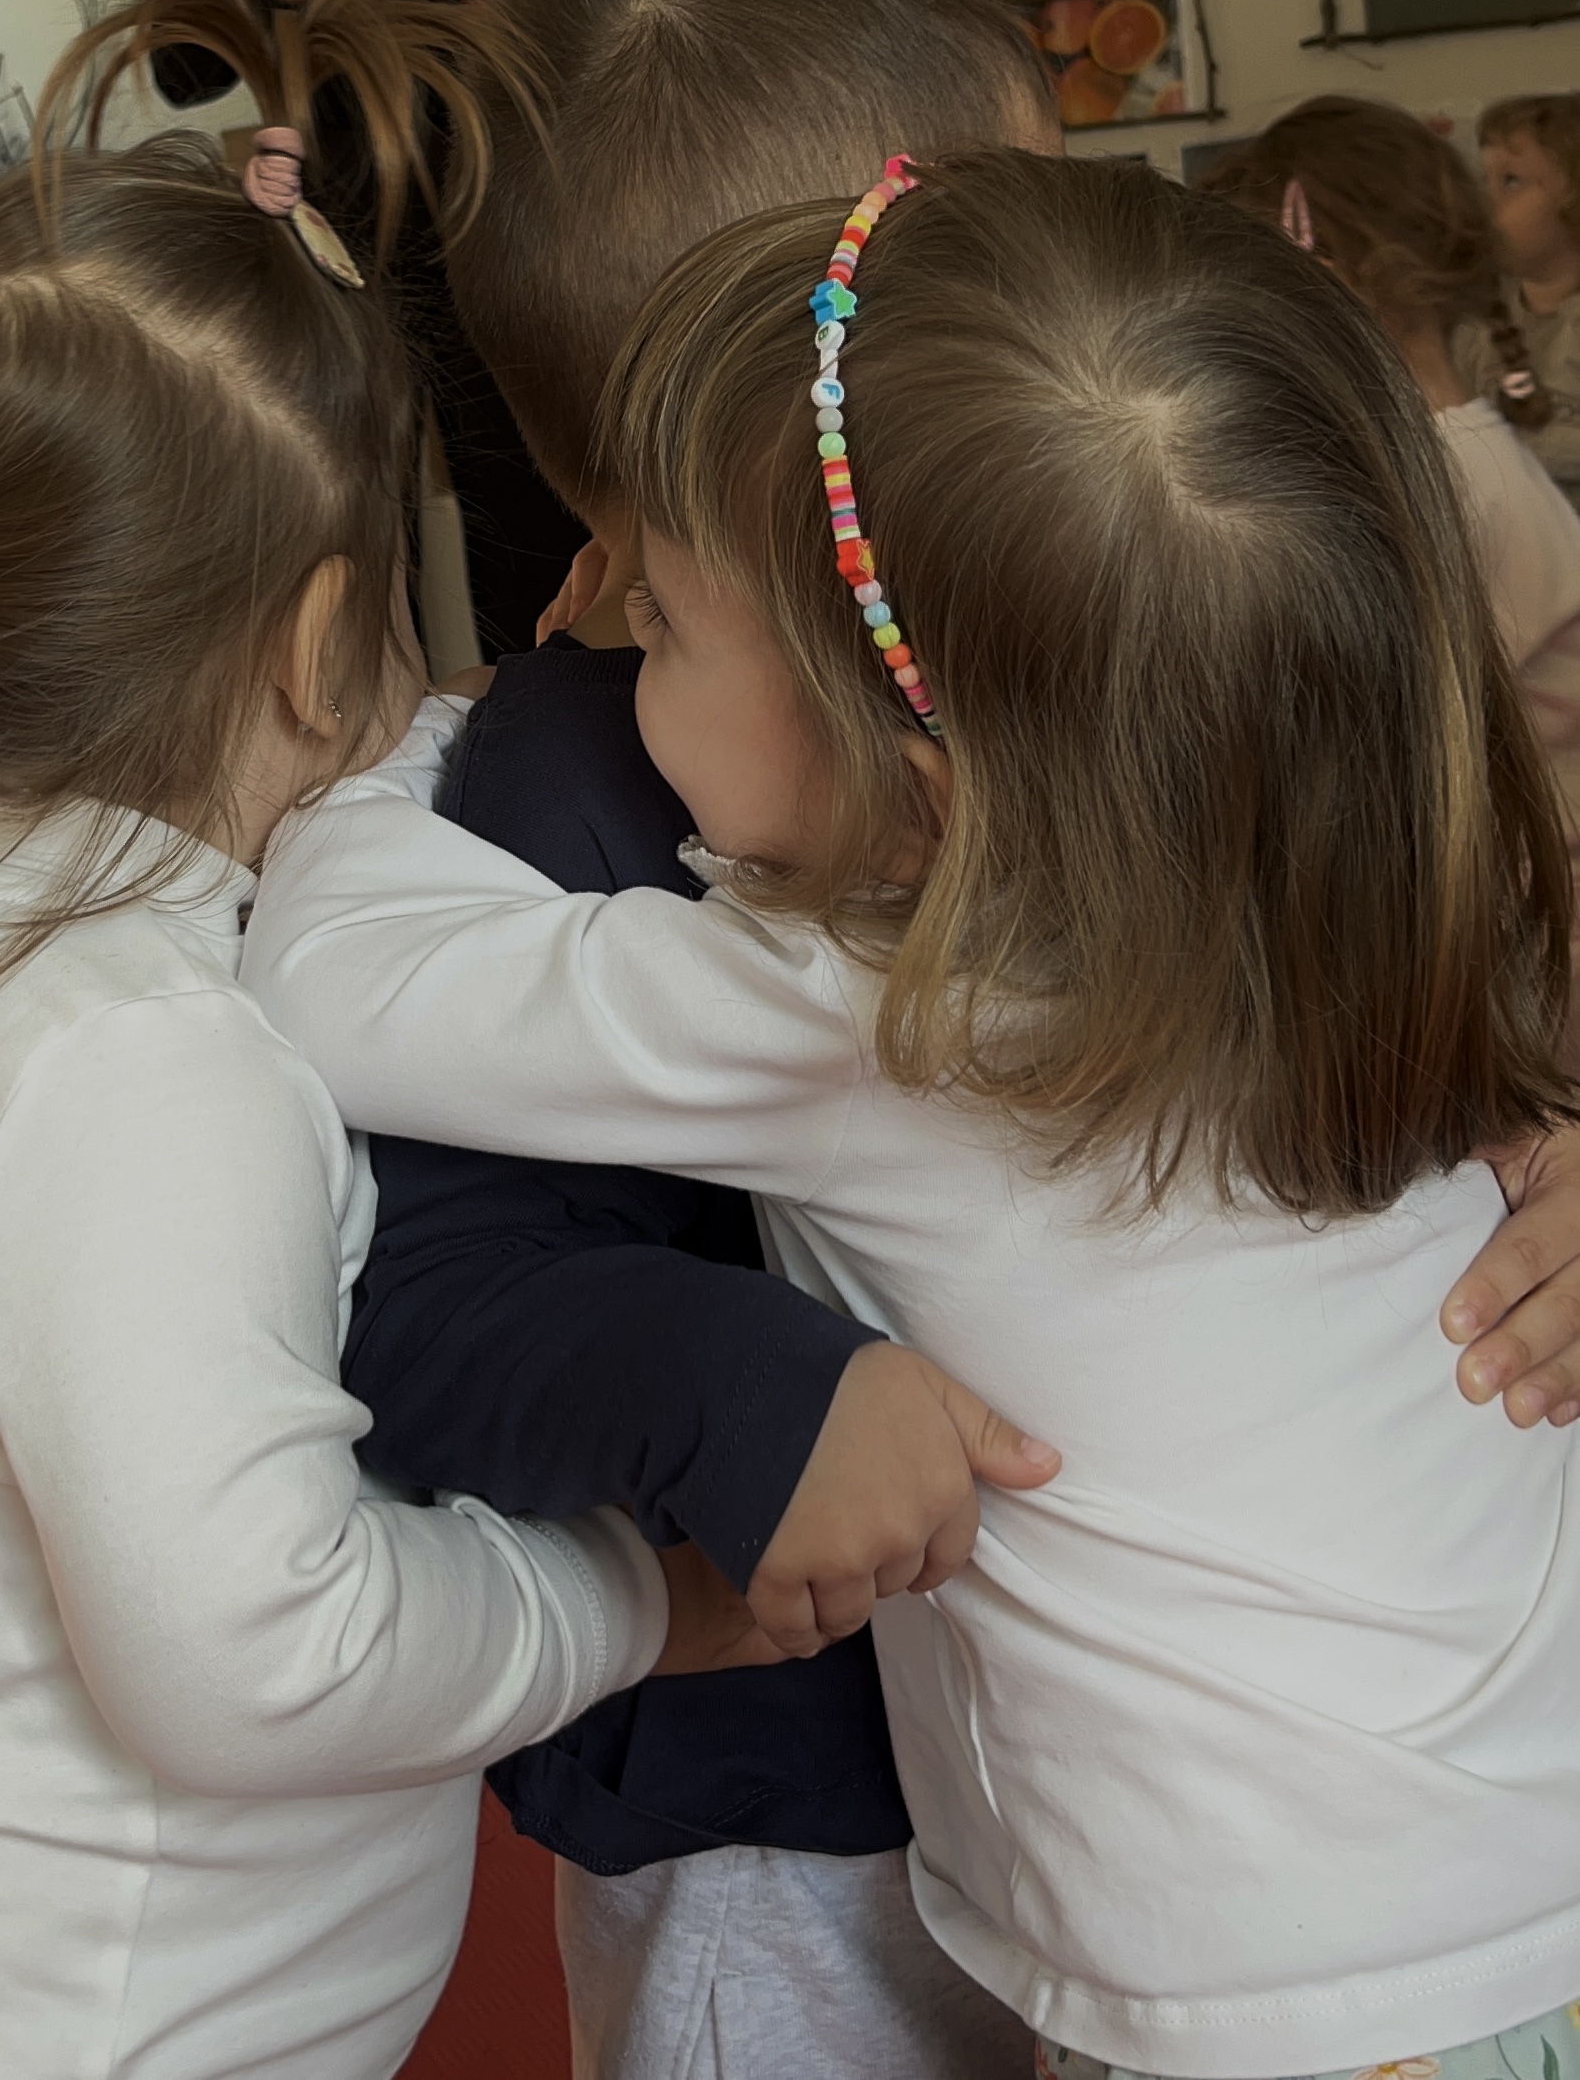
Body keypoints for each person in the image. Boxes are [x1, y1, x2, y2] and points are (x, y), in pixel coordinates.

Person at [245, 149, 1580, 2080]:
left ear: (917, 792)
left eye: (660, 627)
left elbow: (338, 985)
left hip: (1268, 2003)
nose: (615, 651)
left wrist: (442, 724)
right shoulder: (1376, 906)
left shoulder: (882, 1011)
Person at [0, 91, 779, 2075]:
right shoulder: (140, 1071)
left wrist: (458, 720)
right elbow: (264, 1660)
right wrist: (633, 1601)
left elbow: (301, 780)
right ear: (322, 637)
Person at [341, 0, 1066, 2080]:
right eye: (1029, 248)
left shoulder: (1117, 652)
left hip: (1123, 1774)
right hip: (783, 1821)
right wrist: (740, 1388)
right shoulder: (551, 786)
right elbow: (417, 1292)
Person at [153, 0, 593, 655]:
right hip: (336, 230)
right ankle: (379, 729)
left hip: (502, 206)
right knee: (354, 502)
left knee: (527, 491)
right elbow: (176, 66)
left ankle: (545, 716)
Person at [1202, 95, 1580, 1066]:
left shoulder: (1443, 488)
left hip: (1525, 968)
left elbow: (1370, 771)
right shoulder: (1447, 459)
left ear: (1337, 278)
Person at [1456, 92, 1580, 494]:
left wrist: (1503, 449)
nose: (1484, 200)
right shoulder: (1473, 320)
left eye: (1511, 181)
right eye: (1484, 179)